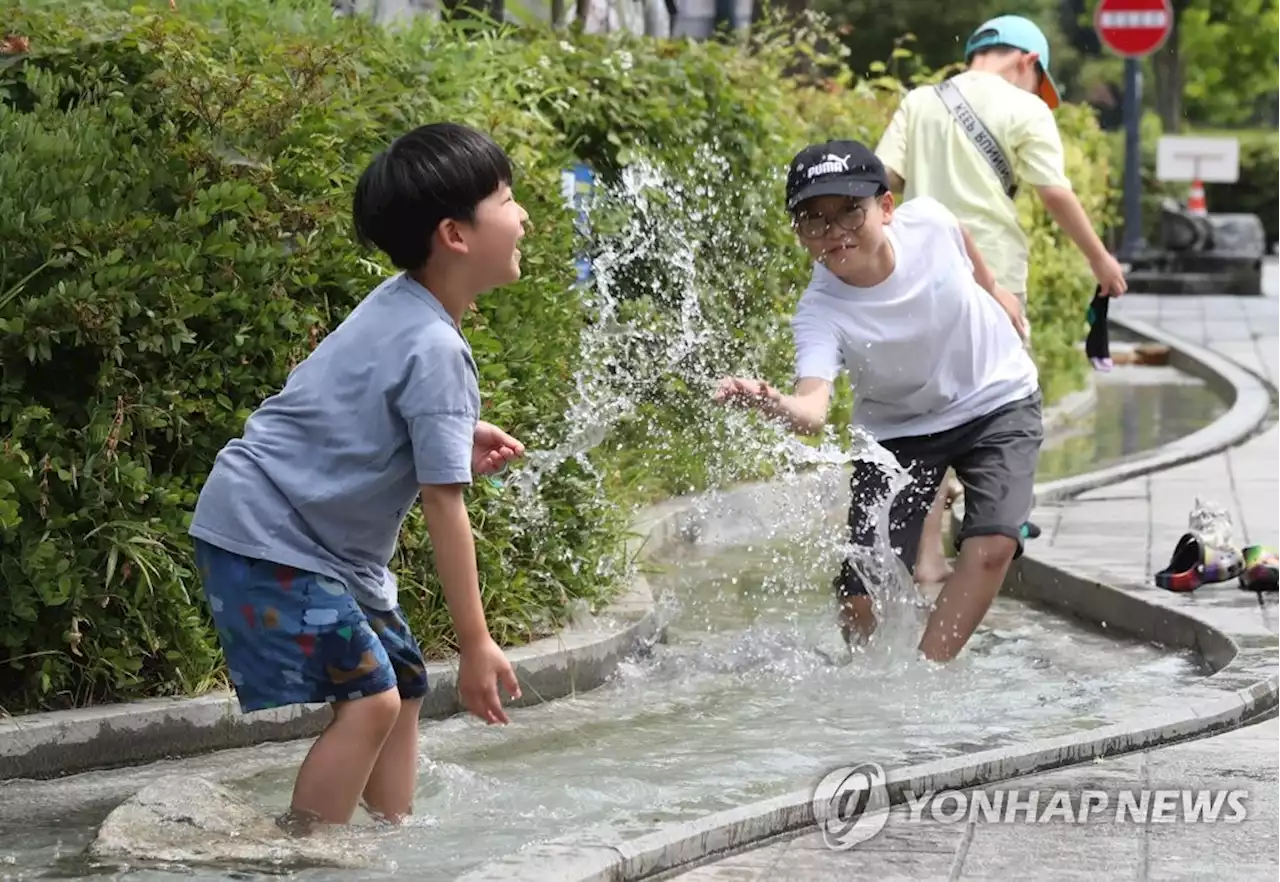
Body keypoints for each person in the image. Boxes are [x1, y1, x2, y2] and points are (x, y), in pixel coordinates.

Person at [188, 122, 528, 829]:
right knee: (370, 698)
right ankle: (306, 854)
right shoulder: (435, 345)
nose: (522, 214)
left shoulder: (404, 304)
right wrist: (475, 643)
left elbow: (356, 404)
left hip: (304, 537)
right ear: (454, 234)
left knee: (401, 681)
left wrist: (452, 436)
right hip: (269, 535)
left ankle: (389, 835)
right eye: (504, 197)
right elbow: (444, 506)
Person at [715, 140, 1043, 663]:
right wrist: (772, 401)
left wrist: (995, 289)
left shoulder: (929, 223)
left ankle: (925, 673)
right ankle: (866, 676)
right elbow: (812, 412)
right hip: (900, 432)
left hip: (996, 397)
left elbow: (961, 237)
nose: (836, 233)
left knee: (994, 543)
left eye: (850, 212)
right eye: (814, 221)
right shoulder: (821, 309)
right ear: (799, 232)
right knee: (861, 592)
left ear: (885, 208)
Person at [874, 14, 1128, 584]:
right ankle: (987, 533)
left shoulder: (920, 101)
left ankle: (926, 558)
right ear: (1028, 62)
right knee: (995, 407)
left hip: (920, 276)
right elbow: (1054, 191)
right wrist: (1100, 260)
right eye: (1038, 81)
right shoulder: (1026, 108)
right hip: (996, 284)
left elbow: (881, 181)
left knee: (932, 408)